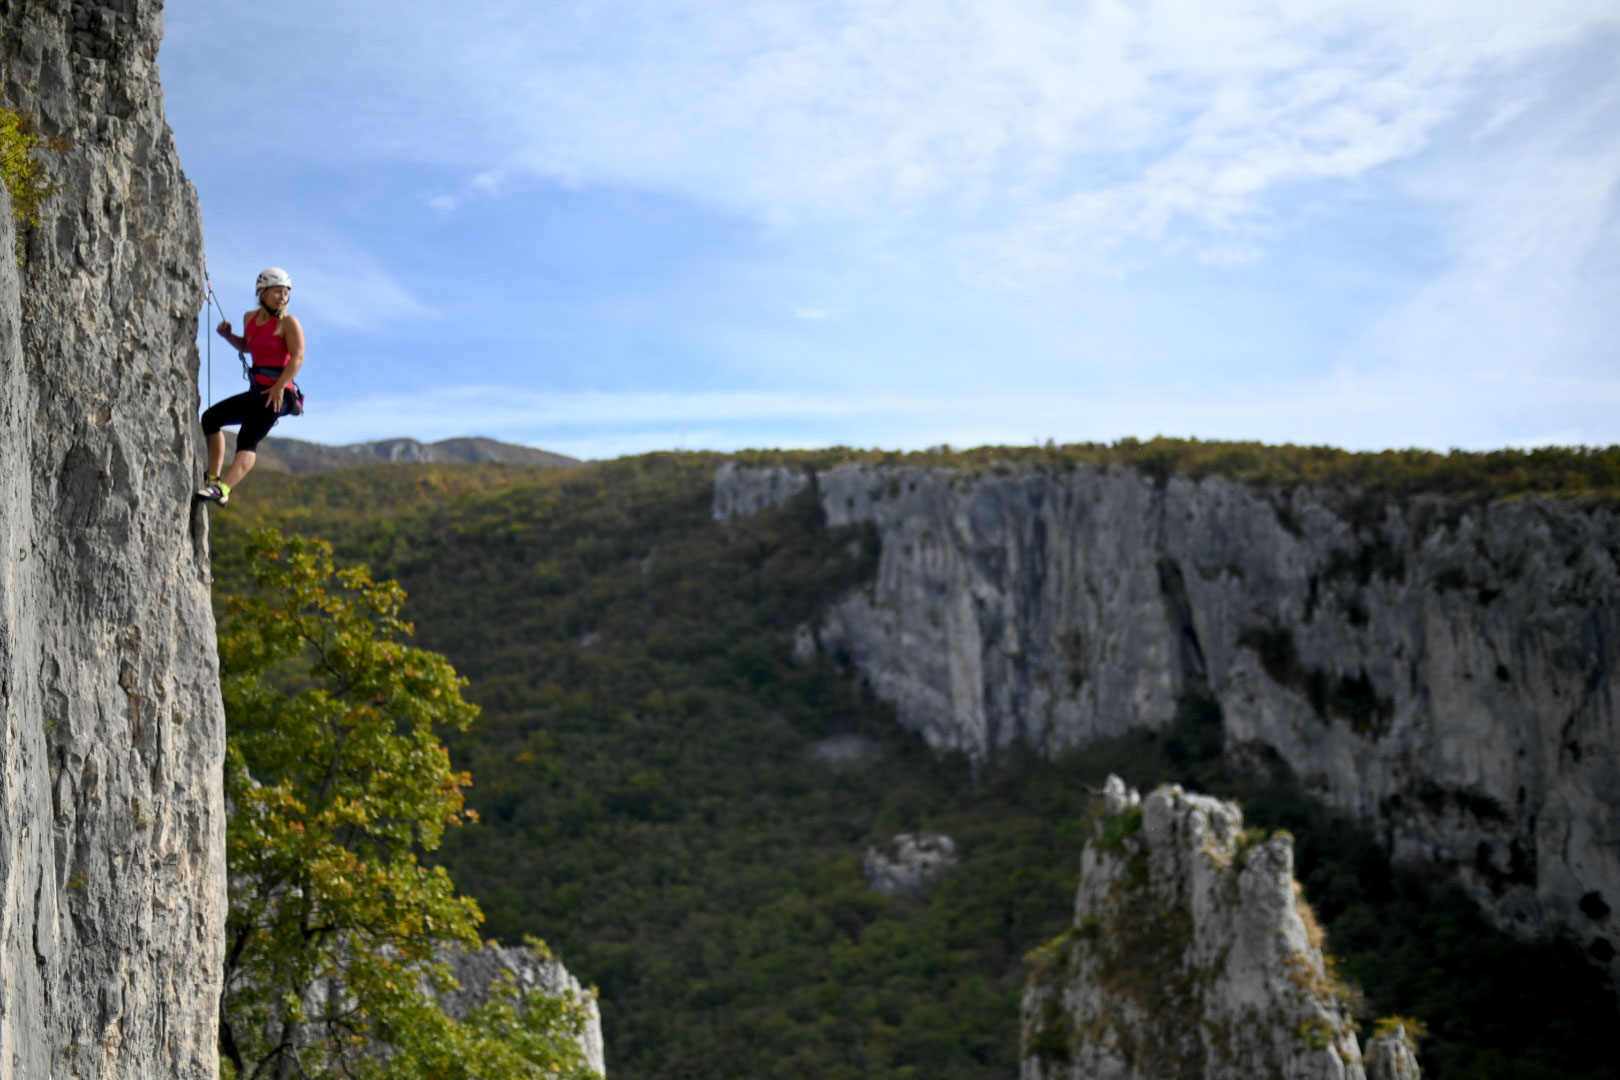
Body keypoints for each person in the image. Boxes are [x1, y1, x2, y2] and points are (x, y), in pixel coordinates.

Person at [198, 267, 305, 504]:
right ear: (262, 291)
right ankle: (213, 479)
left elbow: (297, 357)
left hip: (280, 394)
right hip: (258, 392)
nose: (283, 297)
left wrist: (280, 386)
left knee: (248, 437)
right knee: (211, 418)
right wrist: (229, 336)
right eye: (277, 291)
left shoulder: (288, 323)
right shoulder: (250, 319)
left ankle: (223, 490)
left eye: (286, 293)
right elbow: (248, 346)